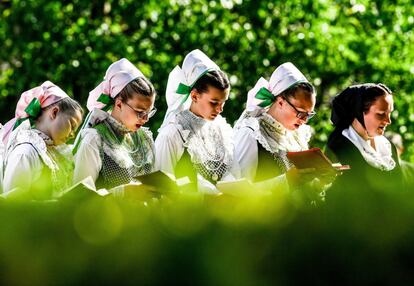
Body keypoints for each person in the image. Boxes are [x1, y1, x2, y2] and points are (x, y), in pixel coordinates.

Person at [155, 49, 237, 194]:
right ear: (194, 96)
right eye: (214, 102)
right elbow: (161, 186)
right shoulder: (173, 132)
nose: (220, 109)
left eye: (223, 102)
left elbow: (233, 173)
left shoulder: (221, 129)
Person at [233, 62, 322, 194]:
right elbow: (237, 193)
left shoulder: (297, 136)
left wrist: (319, 181)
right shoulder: (251, 133)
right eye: (300, 112)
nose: (304, 120)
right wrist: (286, 181)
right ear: (281, 102)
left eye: (309, 115)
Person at [73, 58, 156, 189]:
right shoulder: (95, 140)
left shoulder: (145, 139)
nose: (145, 119)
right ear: (119, 104)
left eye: (149, 112)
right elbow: (80, 197)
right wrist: (121, 193)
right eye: (140, 112)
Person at [1, 81, 83, 199]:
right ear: (54, 112)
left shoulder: (53, 152)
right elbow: (12, 205)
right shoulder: (26, 151)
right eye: (72, 125)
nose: (72, 135)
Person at [325, 83, 403, 192]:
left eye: (389, 113)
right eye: (381, 114)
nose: (388, 121)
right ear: (359, 112)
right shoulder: (339, 147)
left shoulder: (388, 147)